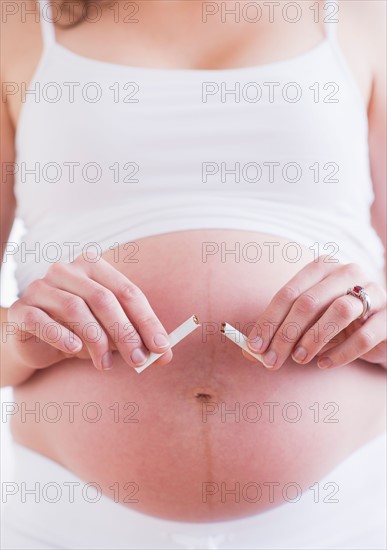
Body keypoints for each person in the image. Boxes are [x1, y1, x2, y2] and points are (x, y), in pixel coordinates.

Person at [1, 0, 386, 548]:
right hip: (74, 522)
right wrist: (21, 338)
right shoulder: (15, 24)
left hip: (340, 516)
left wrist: (374, 324)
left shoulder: (363, 17)